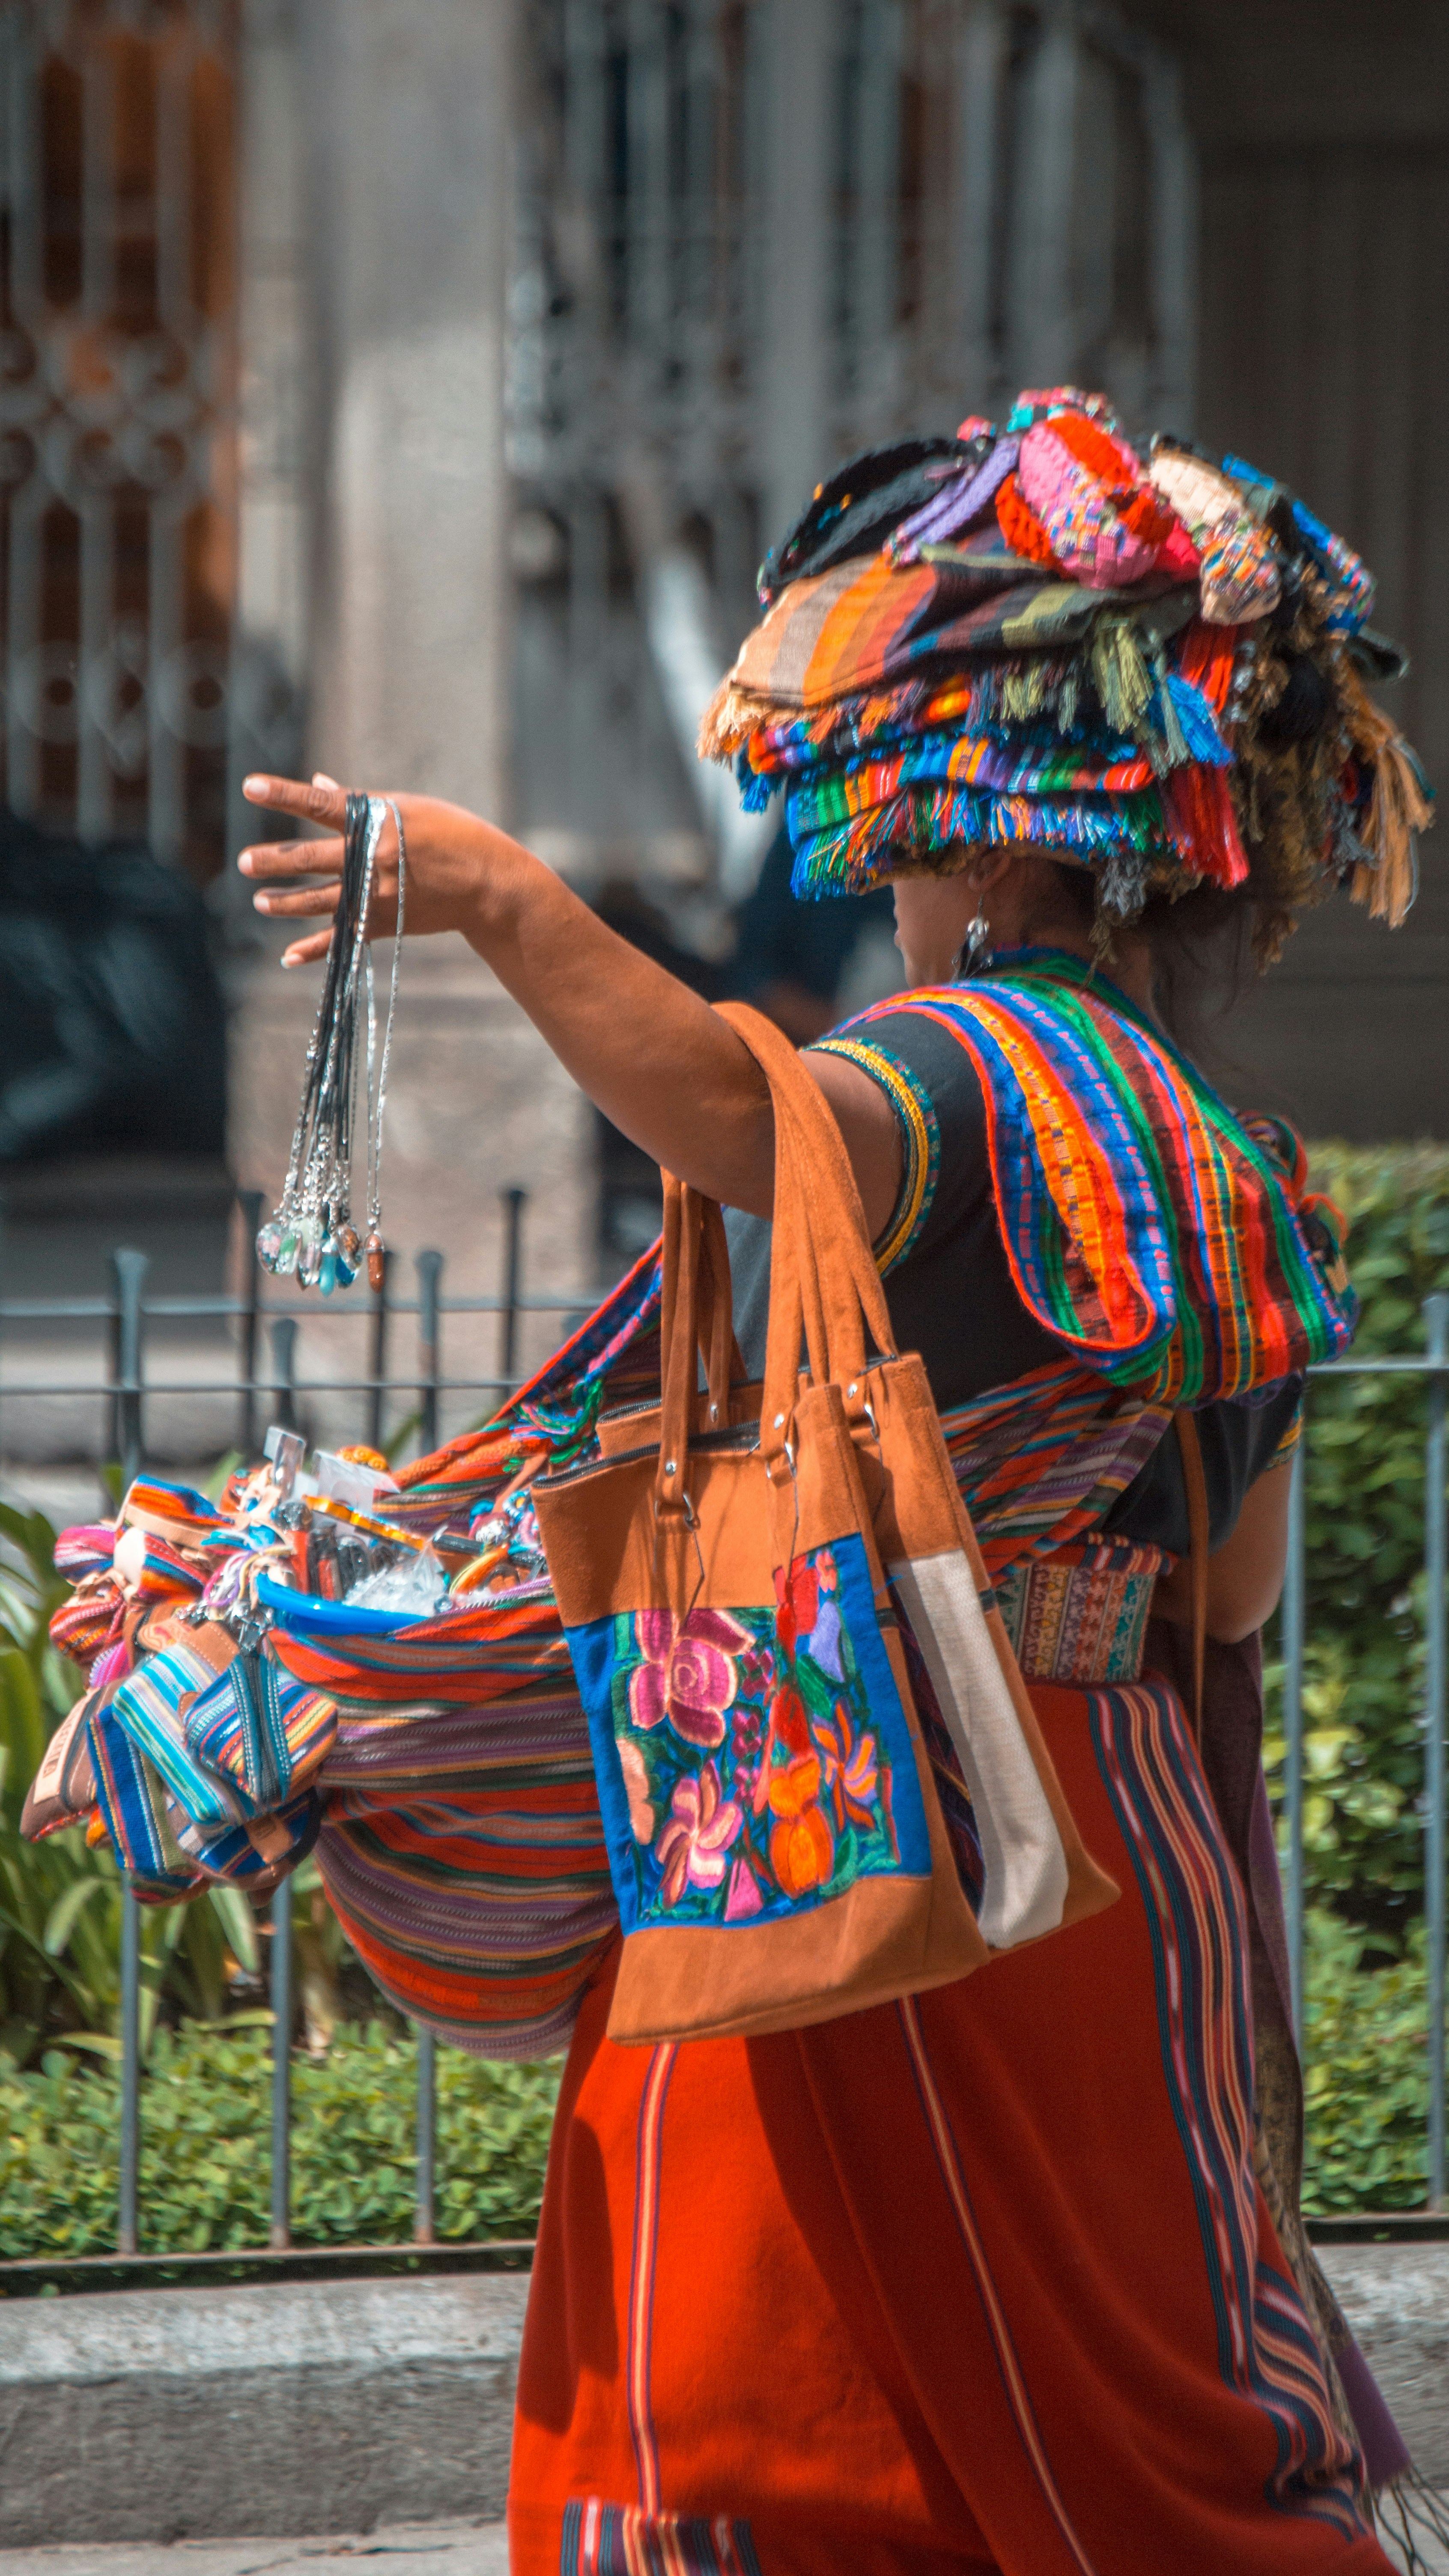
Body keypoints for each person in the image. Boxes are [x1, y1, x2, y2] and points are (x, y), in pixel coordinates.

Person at [237, 391, 1432, 2576]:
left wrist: (495, 886)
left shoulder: (954, 1067)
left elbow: (734, 1109)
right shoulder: (1235, 1162)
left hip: (854, 1842)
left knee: (767, 2446)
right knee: (1146, 2458)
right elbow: (1234, 1606)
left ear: (961, 829)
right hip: (1118, 1868)